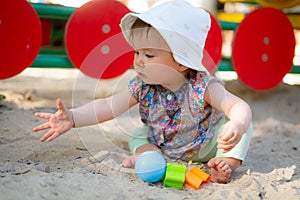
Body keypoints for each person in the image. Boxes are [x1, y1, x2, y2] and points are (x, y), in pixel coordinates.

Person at [33, 0, 252, 184]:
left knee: (244, 125)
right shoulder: (142, 86)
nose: (138, 61)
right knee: (139, 134)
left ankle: (226, 164)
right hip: (164, 143)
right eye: (137, 52)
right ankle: (149, 156)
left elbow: (238, 106)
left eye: (149, 55)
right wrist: (73, 117)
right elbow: (108, 106)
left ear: (181, 62)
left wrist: (238, 124)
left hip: (207, 147)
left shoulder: (202, 87)